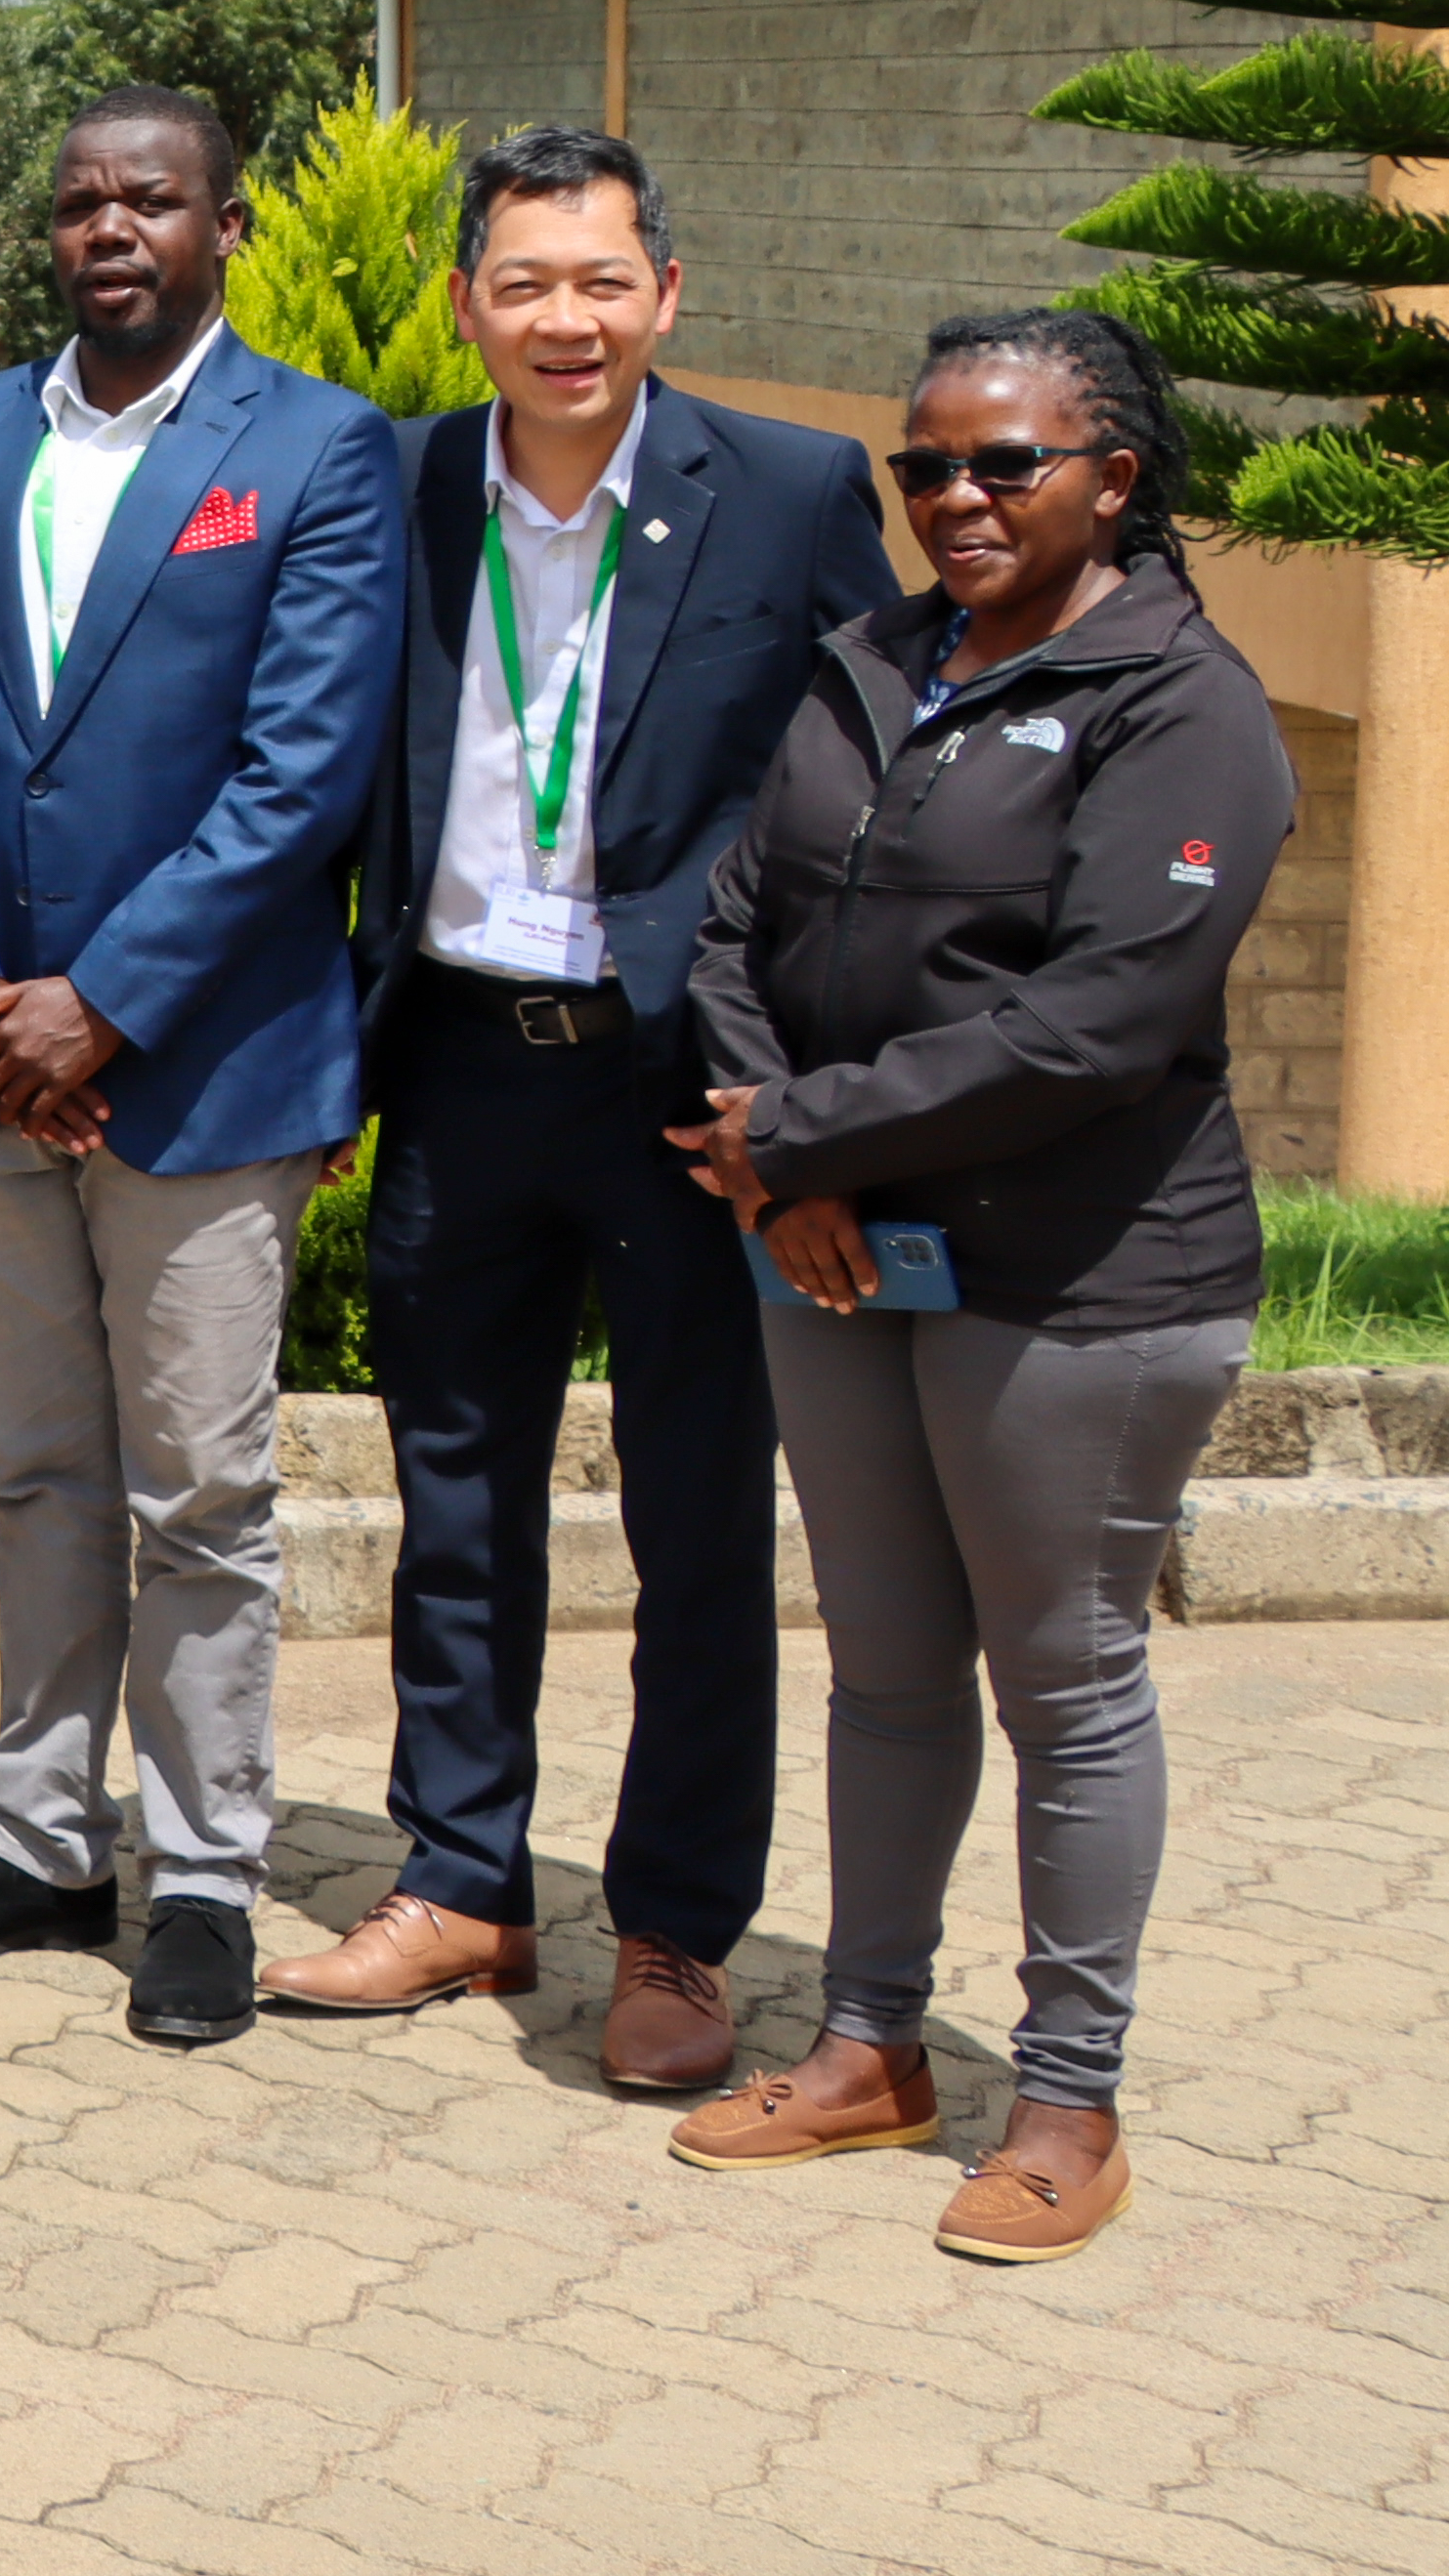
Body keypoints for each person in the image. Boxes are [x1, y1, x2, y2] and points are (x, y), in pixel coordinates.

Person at [664, 308, 1293, 2264]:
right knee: (884, 1665)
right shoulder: (872, 659)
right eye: (923, 465)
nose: (954, 497)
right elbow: (735, 918)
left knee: (1068, 1681)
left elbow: (1099, 1018)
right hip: (840, 1252)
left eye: (1005, 462)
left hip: (1080, 1273)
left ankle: (1071, 2100)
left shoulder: (1183, 703)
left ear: (1115, 473)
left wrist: (808, 1139)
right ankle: (868, 2044)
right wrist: (786, 1176)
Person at [266, 127, 892, 2082]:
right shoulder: (400, 481)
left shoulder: (785, 494)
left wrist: (802, 1096)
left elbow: (869, 800)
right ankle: (461, 1877)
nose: (564, 317)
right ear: (470, 303)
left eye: (600, 279)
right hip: (456, 1057)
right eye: (524, 281)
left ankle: (679, 1931)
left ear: (665, 295)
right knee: (454, 1503)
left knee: (699, 1519)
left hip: (680, 1088)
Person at [0, 87, 407, 2050]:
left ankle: (203, 1872)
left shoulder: (322, 451)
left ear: (222, 228)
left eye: (149, 199)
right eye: (80, 198)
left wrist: (106, 1005)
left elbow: (303, 771)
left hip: (205, 1063)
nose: (110, 227)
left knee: (203, 1489)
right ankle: (34, 1835)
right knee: (37, 1474)